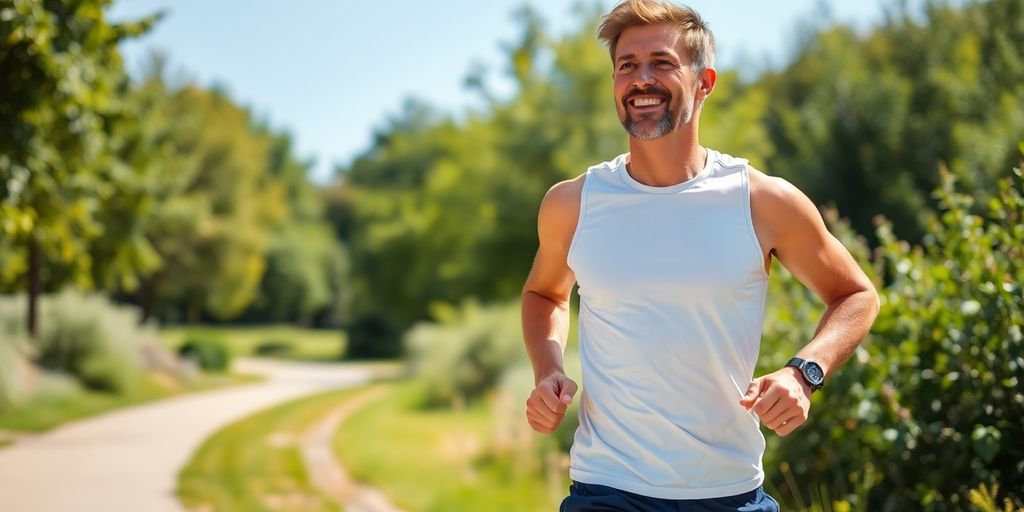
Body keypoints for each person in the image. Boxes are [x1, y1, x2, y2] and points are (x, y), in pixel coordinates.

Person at [520, 0, 880, 510]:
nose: (641, 79)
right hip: (606, 488)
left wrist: (804, 372)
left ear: (705, 82)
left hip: (730, 493)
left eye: (661, 63)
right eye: (627, 66)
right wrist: (547, 369)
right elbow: (544, 294)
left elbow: (856, 295)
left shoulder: (762, 201)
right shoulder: (573, 203)